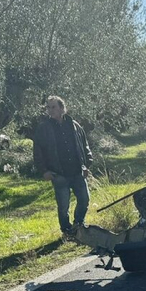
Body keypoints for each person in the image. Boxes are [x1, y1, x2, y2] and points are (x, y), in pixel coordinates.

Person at [33, 95, 93, 236]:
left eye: (53, 107)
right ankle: (67, 231)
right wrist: (44, 171)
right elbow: (38, 152)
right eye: (48, 107)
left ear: (62, 108)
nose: (50, 110)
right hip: (58, 174)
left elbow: (85, 146)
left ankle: (79, 224)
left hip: (78, 172)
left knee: (84, 200)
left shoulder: (74, 125)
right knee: (63, 206)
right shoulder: (44, 129)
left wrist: (87, 165)